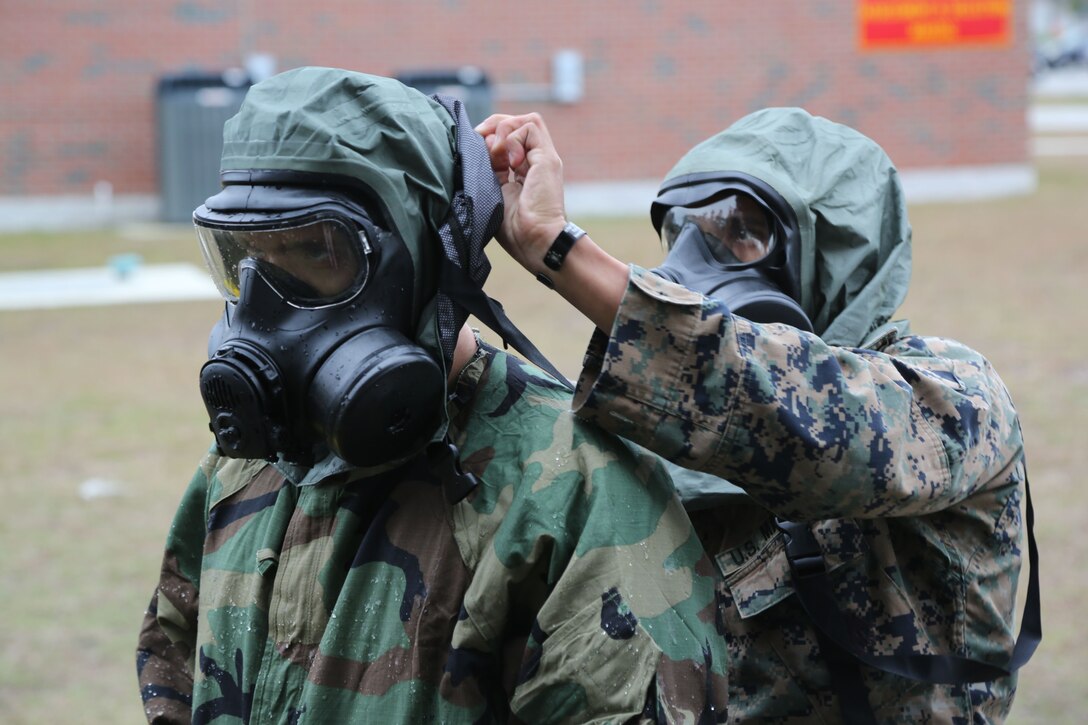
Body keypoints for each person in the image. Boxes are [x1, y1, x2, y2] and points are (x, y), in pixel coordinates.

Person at [135, 67, 730, 724]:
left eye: (314, 252)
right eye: (247, 257)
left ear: (430, 256)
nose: (265, 310)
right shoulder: (245, 461)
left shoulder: (575, 496)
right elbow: (173, 665)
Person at [475, 108, 1038, 722]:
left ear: (839, 251)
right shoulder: (672, 415)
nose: (694, 268)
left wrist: (559, 248)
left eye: (740, 233)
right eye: (682, 233)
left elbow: (805, 420)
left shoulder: (954, 398)